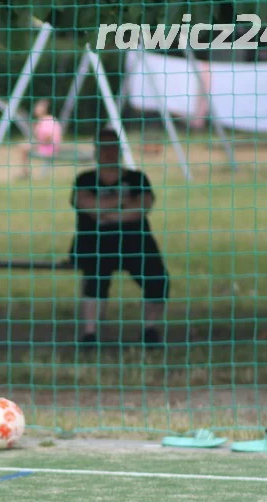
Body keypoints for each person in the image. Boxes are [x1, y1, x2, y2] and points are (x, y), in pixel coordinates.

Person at [70, 128, 170, 346]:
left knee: (158, 278)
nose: (108, 152)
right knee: (95, 274)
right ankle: (90, 333)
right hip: (94, 243)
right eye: (103, 146)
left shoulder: (137, 178)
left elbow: (142, 207)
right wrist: (122, 202)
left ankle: (150, 330)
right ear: (96, 150)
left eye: (112, 146)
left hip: (135, 244)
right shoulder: (85, 179)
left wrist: (106, 212)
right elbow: (87, 204)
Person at [20, 99, 62, 179]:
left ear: (45, 109)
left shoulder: (47, 121)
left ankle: (26, 173)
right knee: (24, 146)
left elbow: (48, 138)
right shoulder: (44, 120)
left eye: (39, 106)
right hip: (49, 147)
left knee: (24, 148)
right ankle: (26, 173)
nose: (36, 108)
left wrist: (36, 144)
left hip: (50, 149)